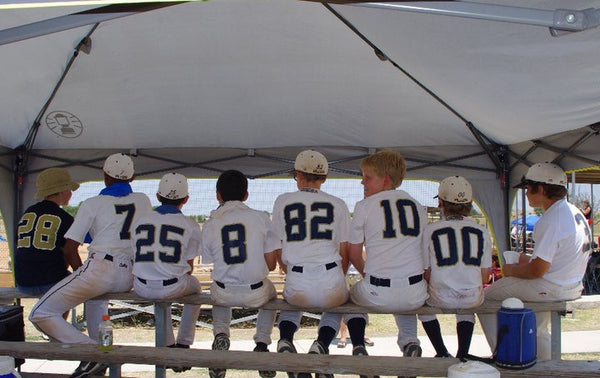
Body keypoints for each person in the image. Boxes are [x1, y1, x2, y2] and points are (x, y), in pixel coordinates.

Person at [29, 153, 152, 378]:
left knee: (40, 313)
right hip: (130, 275)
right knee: (96, 303)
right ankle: (95, 361)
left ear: (105, 176)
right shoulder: (143, 200)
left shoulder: (92, 203)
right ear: (131, 177)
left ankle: (92, 355)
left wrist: (82, 274)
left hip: (101, 268)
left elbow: (69, 248)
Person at [478, 162, 592, 360]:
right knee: (540, 328)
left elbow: (536, 271)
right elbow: (555, 259)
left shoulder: (551, 219)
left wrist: (510, 269)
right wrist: (526, 259)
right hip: (571, 284)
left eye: (528, 189)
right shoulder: (573, 211)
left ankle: (503, 353)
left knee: (486, 298)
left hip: (553, 285)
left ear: (540, 188)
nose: (525, 194)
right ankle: (545, 366)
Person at [344, 149, 428, 378]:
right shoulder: (419, 207)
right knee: (406, 300)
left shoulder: (364, 206)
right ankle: (410, 343)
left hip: (378, 290)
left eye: (367, 177)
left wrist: (368, 274)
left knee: (349, 296)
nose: (362, 182)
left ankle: (359, 346)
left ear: (386, 179)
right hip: (414, 291)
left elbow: (353, 254)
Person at [272, 150, 350, 378]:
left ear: (298, 174)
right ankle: (322, 344)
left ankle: (286, 339)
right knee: (338, 305)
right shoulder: (338, 203)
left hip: (297, 279)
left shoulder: (282, 200)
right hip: (331, 277)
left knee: (290, 303)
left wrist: (290, 271)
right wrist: (338, 276)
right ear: (324, 178)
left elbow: (276, 245)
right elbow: (344, 250)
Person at [201, 170, 281, 378]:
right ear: (246, 195)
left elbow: (209, 261)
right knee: (271, 292)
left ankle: (221, 334)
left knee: (217, 287)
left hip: (224, 292)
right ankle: (262, 342)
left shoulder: (211, 222)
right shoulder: (261, 218)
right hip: (256, 293)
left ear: (218, 195)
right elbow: (271, 265)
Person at [131, 173, 202, 373]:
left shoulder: (140, 220)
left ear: (158, 196)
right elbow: (189, 266)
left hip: (140, 286)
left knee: (162, 294)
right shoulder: (189, 224)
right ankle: (184, 343)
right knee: (194, 289)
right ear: (186, 199)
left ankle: (168, 344)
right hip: (171, 284)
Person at [418, 176, 492, 359]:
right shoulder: (482, 231)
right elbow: (485, 277)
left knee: (422, 306)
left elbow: (426, 273)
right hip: (472, 297)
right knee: (467, 309)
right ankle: (463, 352)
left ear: (441, 202)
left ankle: (441, 352)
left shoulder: (430, 230)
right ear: (469, 203)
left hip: (440, 296)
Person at [15, 167, 80, 297]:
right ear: (61, 191)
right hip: (51, 282)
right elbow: (69, 252)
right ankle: (56, 316)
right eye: (70, 190)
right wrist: (81, 272)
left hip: (23, 282)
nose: (71, 194)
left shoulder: (28, 212)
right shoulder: (64, 217)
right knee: (68, 294)